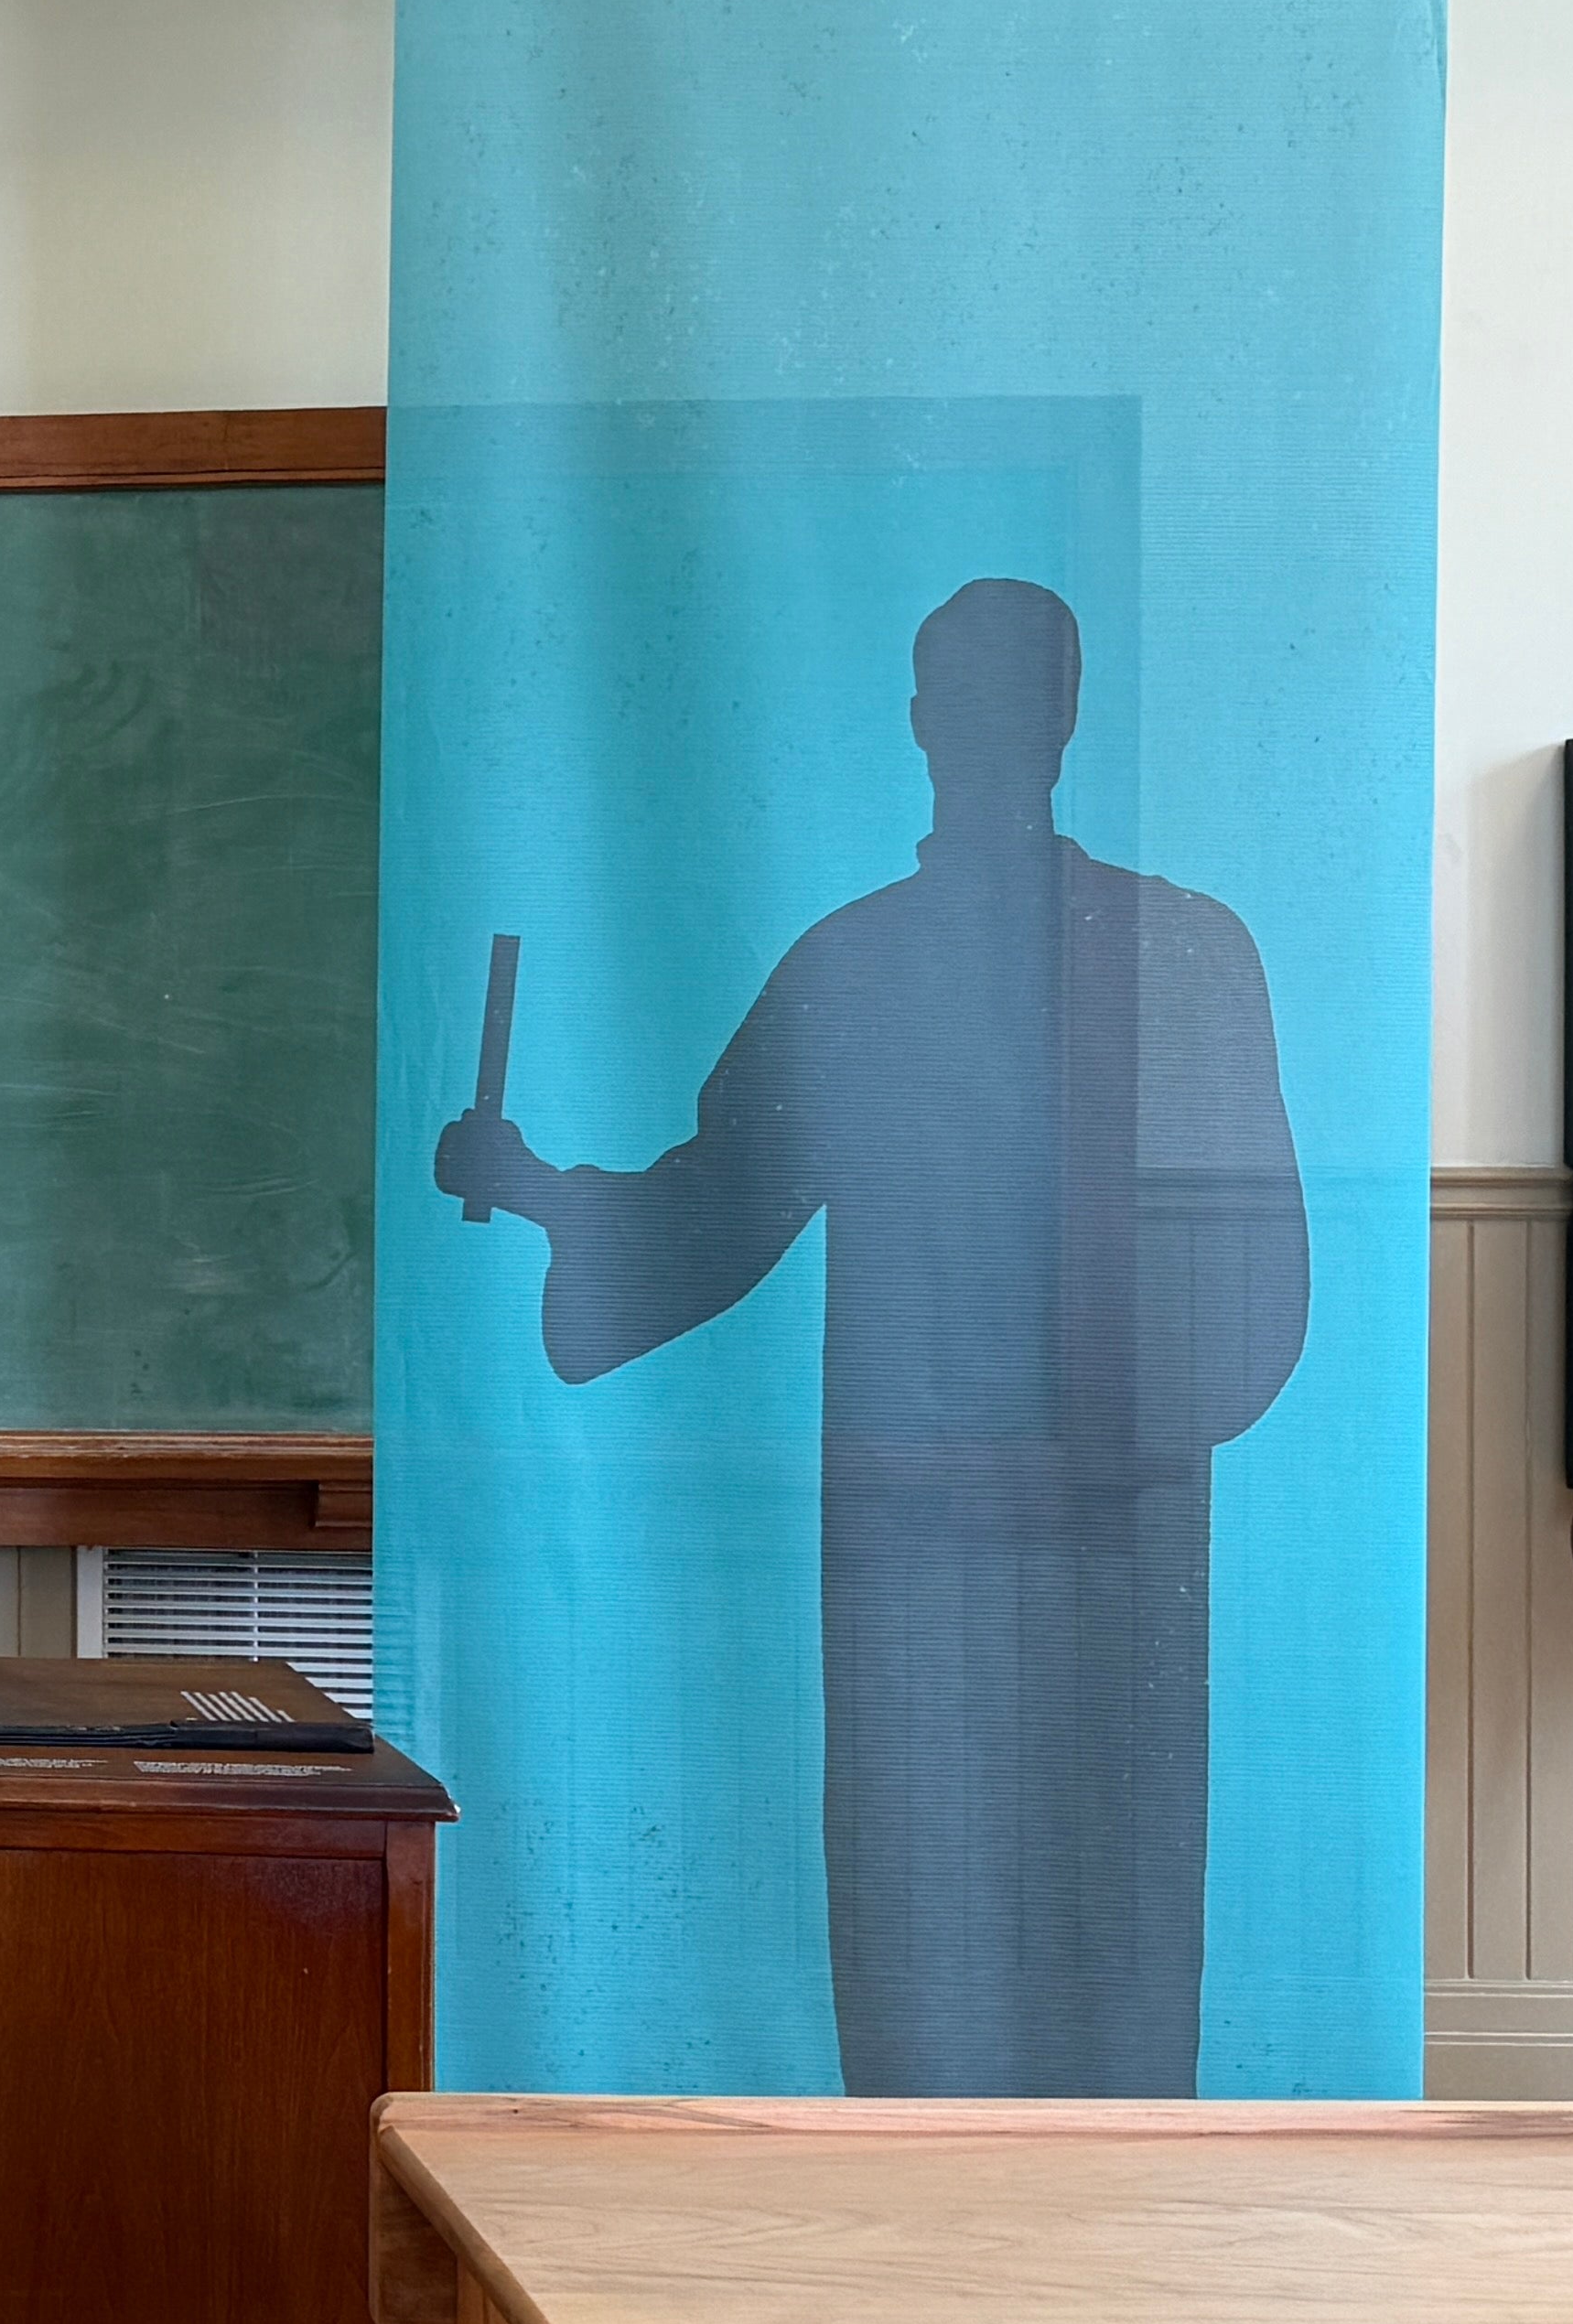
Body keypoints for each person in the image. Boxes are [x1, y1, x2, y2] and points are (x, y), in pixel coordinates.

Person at [434, 576, 1305, 2093]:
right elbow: (718, 1207)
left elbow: (1255, 1288)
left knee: (1103, 1928)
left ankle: (1104, 2290)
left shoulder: (1167, 958)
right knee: (926, 1945)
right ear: (924, 722)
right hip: (932, 1563)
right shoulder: (885, 965)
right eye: (958, 697)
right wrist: (541, 1192)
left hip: (1090, 1562)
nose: (978, 727)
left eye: (998, 695)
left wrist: (1075, 1450)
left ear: (1054, 715)